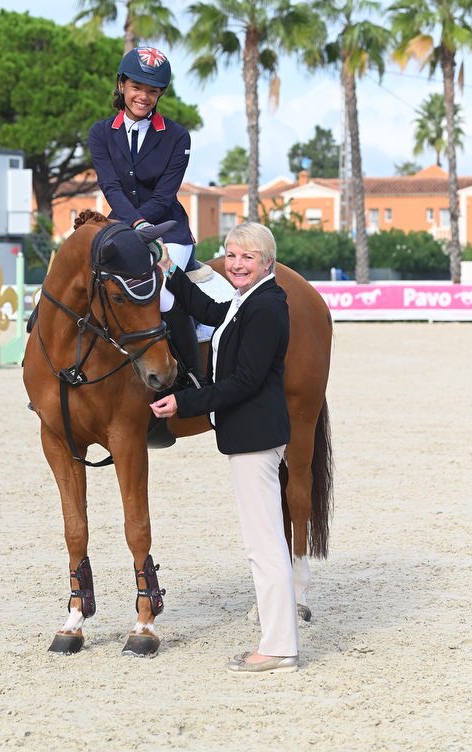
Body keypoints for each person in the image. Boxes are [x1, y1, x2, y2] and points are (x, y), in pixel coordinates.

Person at [150, 221, 299, 674]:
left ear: (267, 262)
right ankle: (278, 642)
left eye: (247, 257)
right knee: (263, 543)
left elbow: (245, 381)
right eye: (232, 255)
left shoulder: (266, 307)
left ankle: (278, 648)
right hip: (250, 436)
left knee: (264, 546)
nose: (236, 264)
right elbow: (210, 310)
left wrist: (184, 402)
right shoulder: (245, 299)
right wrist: (169, 271)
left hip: (255, 438)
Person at [89, 45, 202, 384]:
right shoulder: (100, 133)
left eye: (152, 91)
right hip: (121, 226)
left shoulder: (177, 136)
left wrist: (144, 226)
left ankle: (193, 378)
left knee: (164, 293)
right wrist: (135, 225)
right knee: (81, 280)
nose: (143, 96)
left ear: (160, 94)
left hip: (168, 231)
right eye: (137, 87)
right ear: (121, 85)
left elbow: (165, 196)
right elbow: (111, 187)